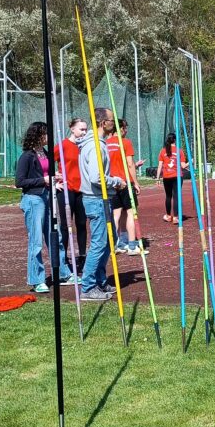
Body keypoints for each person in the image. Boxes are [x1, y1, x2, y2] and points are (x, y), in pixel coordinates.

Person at [14, 122, 75, 293]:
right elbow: (20, 182)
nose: (49, 137)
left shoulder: (45, 153)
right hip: (33, 200)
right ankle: (37, 279)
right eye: (46, 134)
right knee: (36, 241)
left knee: (55, 237)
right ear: (38, 135)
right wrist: (44, 181)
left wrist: (55, 179)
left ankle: (64, 273)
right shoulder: (27, 156)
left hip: (48, 197)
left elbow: (46, 174)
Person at [78, 108, 127, 301]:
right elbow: (96, 177)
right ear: (102, 122)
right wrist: (116, 181)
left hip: (101, 199)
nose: (114, 123)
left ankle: (99, 279)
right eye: (111, 120)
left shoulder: (99, 143)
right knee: (99, 243)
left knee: (110, 239)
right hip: (95, 199)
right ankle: (87, 287)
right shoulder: (94, 146)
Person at [54, 117, 88, 271]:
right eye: (81, 129)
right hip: (66, 190)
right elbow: (45, 164)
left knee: (81, 224)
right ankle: (64, 259)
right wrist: (55, 180)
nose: (84, 132)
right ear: (72, 129)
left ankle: (82, 256)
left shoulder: (85, 146)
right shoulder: (62, 145)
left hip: (82, 190)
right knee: (66, 225)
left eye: (86, 129)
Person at [106, 118, 143, 255]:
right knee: (130, 212)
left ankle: (118, 243)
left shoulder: (105, 143)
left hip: (112, 183)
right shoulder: (126, 142)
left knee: (116, 214)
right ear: (120, 128)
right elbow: (130, 164)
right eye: (125, 128)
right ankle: (132, 246)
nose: (126, 131)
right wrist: (136, 182)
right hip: (125, 182)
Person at [156, 132, 188, 224]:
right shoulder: (179, 151)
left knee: (168, 196)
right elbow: (183, 166)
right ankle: (176, 217)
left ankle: (168, 215)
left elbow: (159, 166)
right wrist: (190, 162)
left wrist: (157, 178)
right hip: (177, 176)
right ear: (175, 140)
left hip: (166, 176)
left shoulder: (163, 151)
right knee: (176, 196)